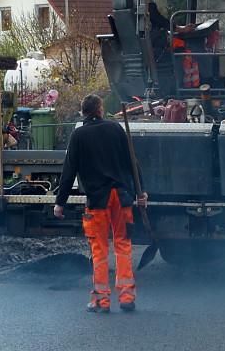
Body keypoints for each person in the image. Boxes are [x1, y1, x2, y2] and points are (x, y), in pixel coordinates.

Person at [53, 94, 148, 313]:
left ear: (83, 113)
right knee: (123, 246)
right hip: (122, 197)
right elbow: (132, 162)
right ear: (101, 110)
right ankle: (126, 298)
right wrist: (141, 191)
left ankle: (101, 301)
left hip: (98, 199)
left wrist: (60, 203)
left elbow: (69, 171)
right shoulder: (116, 129)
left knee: (100, 249)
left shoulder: (79, 135)